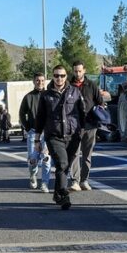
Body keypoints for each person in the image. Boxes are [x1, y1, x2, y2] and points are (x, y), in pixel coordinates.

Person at [34, 65, 86, 210]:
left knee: (65, 167)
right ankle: (64, 196)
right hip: (54, 136)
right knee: (62, 164)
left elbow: (82, 113)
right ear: (53, 76)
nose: (59, 78)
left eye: (62, 76)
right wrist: (37, 139)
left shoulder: (75, 92)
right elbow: (40, 118)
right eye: (56, 75)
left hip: (73, 136)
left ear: (66, 76)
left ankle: (57, 194)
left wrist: (81, 131)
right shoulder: (46, 95)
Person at [67, 61, 109, 191]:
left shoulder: (91, 85)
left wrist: (100, 111)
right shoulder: (68, 86)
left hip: (90, 125)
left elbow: (100, 102)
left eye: (80, 71)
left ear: (84, 70)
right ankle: (75, 181)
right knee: (74, 154)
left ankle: (84, 181)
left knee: (87, 155)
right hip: (74, 127)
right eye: (75, 71)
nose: (77, 73)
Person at [20, 73, 51, 192]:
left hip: (47, 132)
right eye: (37, 80)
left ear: (45, 81)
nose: (40, 82)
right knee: (33, 159)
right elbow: (22, 114)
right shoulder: (28, 97)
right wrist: (28, 128)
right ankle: (33, 175)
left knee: (46, 158)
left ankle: (45, 183)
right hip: (33, 132)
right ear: (33, 81)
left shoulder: (49, 95)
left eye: (42, 80)